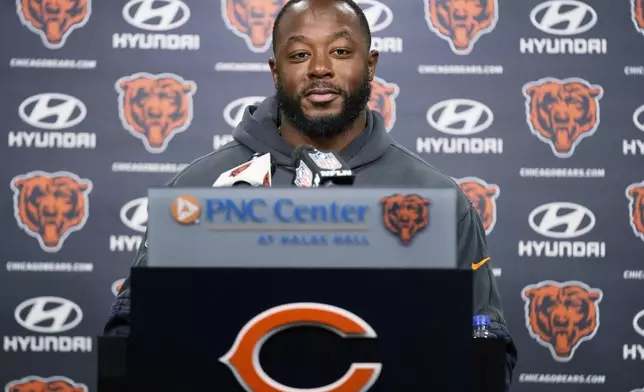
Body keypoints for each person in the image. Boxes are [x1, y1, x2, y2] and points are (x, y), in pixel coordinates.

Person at [104, 0, 517, 388]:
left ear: (370, 65)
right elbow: (128, 339)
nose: (320, 68)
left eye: (340, 52)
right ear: (276, 70)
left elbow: (486, 354)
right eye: (300, 55)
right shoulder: (200, 188)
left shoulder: (436, 201)